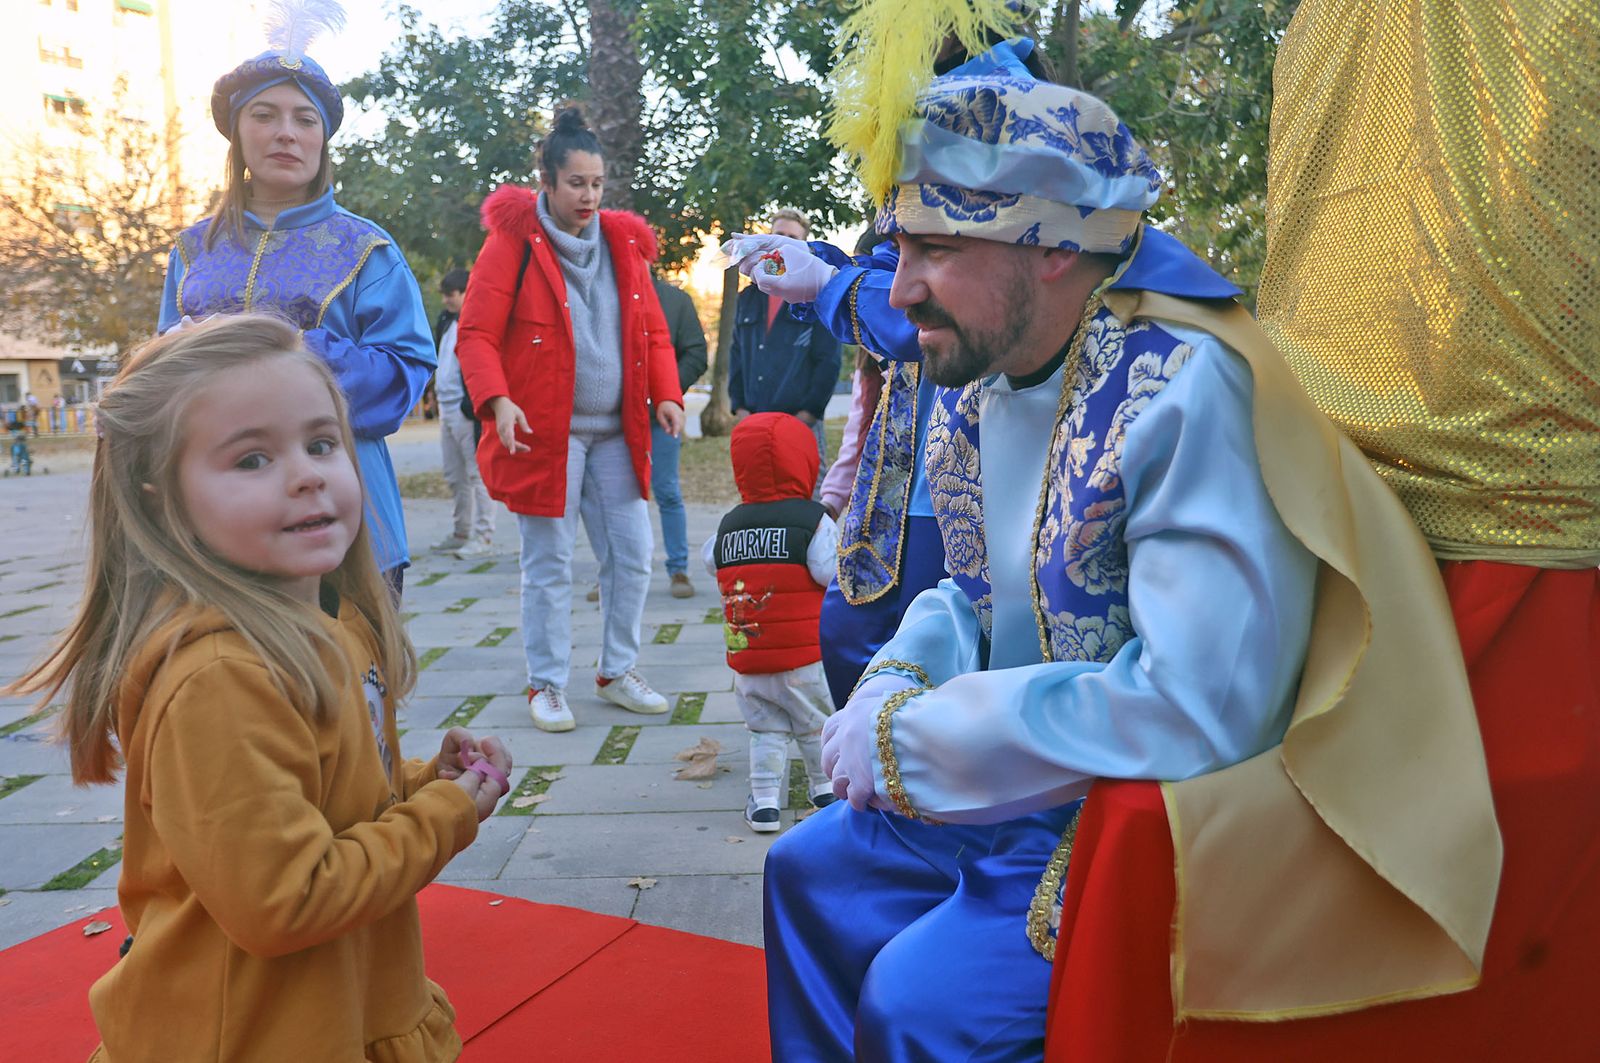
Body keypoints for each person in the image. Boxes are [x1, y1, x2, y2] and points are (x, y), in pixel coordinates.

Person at [762, 8, 1497, 1059]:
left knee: (927, 1006)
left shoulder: (1181, 389)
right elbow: (970, 593)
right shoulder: (980, 373)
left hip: (1140, 814)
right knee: (806, 873)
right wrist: (891, 682)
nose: (901, 285)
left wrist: (914, 738)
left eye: (934, 246)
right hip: (1014, 775)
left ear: (1052, 250)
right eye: (895, 246)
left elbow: (1201, 706)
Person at [6, 315, 512, 1062]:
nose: (306, 473)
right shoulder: (220, 678)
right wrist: (445, 813)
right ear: (161, 498)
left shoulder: (334, 623)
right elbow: (288, 896)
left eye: (320, 443)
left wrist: (416, 782)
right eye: (251, 458)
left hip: (341, 1002)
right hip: (251, 1031)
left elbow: (320, 801)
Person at [158, 4, 435, 595]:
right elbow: (160, 378)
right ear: (238, 131)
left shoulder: (367, 249)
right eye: (265, 114)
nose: (286, 132)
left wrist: (277, 351)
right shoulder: (191, 250)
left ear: (322, 138)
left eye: (304, 119)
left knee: (350, 683)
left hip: (342, 513)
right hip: (215, 520)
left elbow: (404, 376)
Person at [456, 107, 686, 733]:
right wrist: (497, 400)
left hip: (616, 431)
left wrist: (667, 393)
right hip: (544, 435)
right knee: (550, 563)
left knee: (634, 554)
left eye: (597, 184)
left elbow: (653, 333)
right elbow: (475, 334)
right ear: (548, 182)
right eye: (576, 183)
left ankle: (617, 671)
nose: (588, 196)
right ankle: (547, 684)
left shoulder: (623, 245)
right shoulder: (511, 243)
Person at [702, 413, 840, 832]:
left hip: (750, 660)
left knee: (764, 730)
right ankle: (825, 789)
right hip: (804, 657)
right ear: (805, 461)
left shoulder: (729, 525)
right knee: (815, 724)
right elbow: (829, 572)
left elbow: (710, 561)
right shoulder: (812, 520)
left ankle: (764, 802)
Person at [727, 209, 843, 489]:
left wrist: (808, 415)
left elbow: (828, 361)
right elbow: (737, 353)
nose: (783, 242)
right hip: (755, 419)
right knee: (757, 494)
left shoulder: (816, 295)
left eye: (792, 238)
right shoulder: (748, 297)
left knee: (807, 496)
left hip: (800, 421)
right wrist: (739, 407)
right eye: (778, 235)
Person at [431, 268, 495, 559]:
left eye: (451, 294)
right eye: (444, 295)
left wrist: (475, 407)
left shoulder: (478, 322)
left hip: (465, 411)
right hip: (446, 409)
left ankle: (484, 534)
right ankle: (461, 531)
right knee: (454, 475)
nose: (446, 300)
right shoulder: (446, 324)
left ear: (466, 293)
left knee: (476, 474)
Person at [651, 272, 708, 597]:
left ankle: (678, 570)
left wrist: (668, 392)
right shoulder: (603, 292)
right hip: (613, 416)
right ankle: (609, 575)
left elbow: (696, 353)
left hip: (661, 416)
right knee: (610, 499)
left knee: (668, 491)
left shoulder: (674, 301)